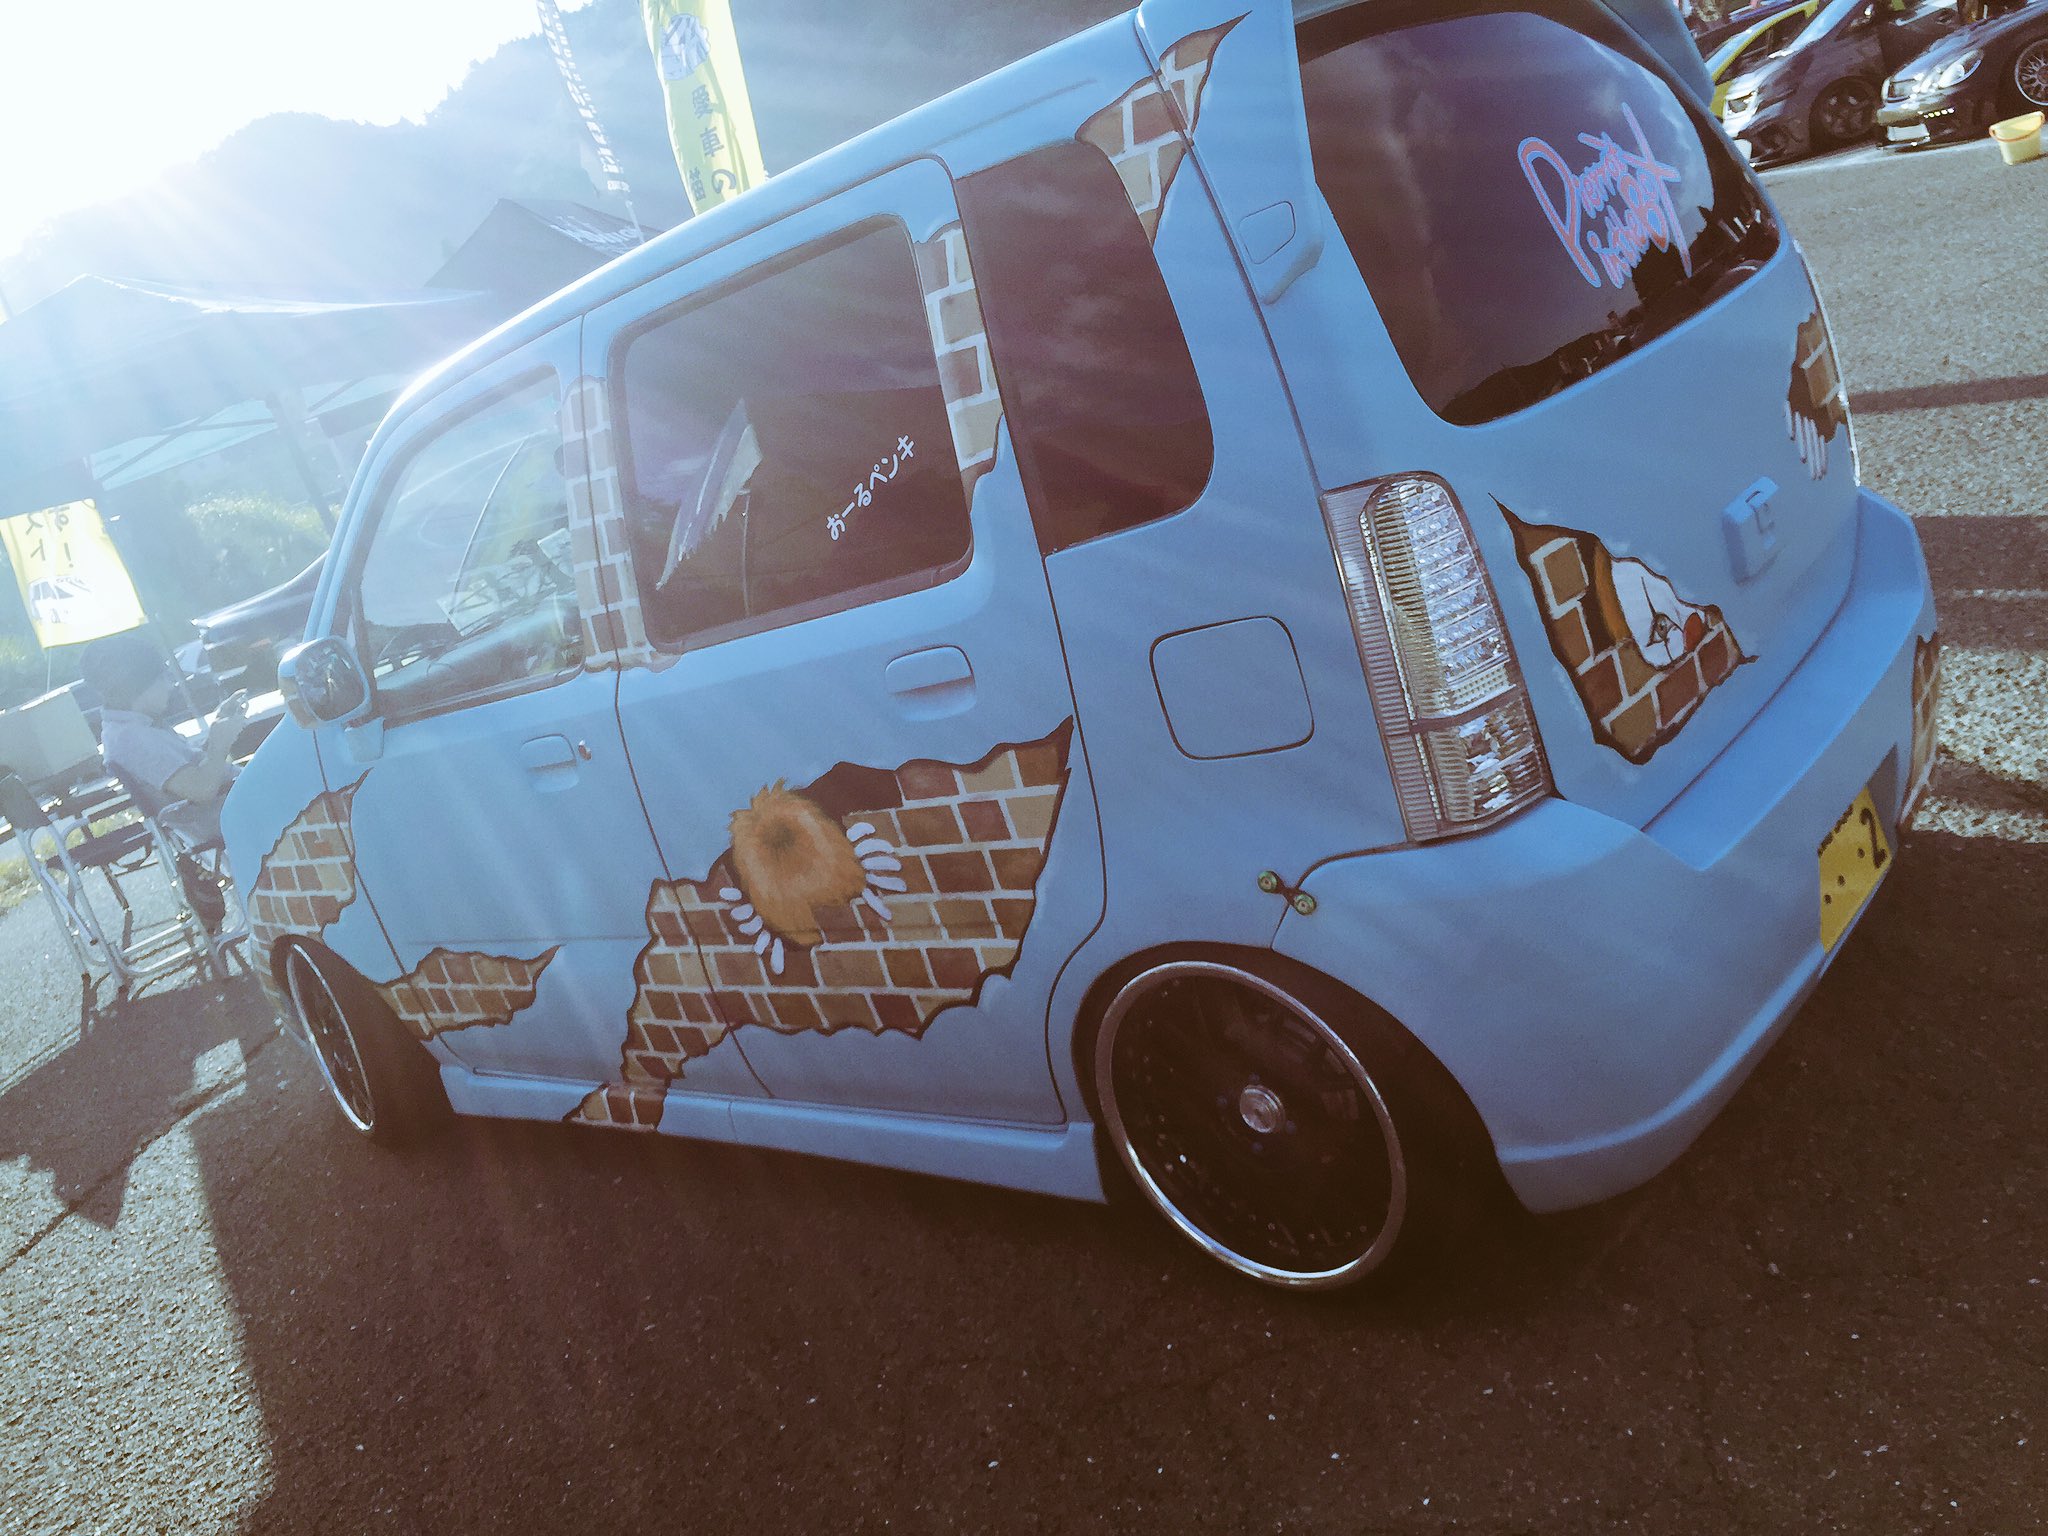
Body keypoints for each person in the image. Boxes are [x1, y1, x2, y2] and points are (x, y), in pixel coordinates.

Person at [79, 631, 247, 849]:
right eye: (162, 678)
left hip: (237, 809)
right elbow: (201, 790)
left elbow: (190, 770)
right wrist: (219, 744)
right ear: (138, 686)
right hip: (240, 820)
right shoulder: (133, 739)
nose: (170, 685)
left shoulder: (134, 729)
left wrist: (218, 727)